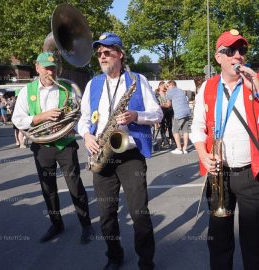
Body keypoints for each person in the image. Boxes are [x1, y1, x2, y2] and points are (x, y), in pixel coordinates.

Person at [190, 29, 259, 270]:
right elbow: (197, 128)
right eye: (230, 51)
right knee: (219, 241)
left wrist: (257, 88)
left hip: (252, 173)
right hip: (218, 173)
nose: (237, 55)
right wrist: (203, 154)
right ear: (218, 57)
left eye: (241, 50)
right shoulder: (208, 87)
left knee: (253, 242)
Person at [78, 32, 162, 270]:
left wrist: (137, 116)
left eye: (107, 52)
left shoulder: (138, 80)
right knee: (106, 213)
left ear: (120, 54)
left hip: (130, 155)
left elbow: (157, 113)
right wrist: (86, 136)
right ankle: (114, 256)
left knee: (139, 214)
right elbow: (84, 119)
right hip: (102, 153)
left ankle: (146, 261)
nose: (102, 57)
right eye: (99, 54)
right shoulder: (93, 83)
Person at [11, 52, 94, 244]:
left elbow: (79, 114)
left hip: (65, 144)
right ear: (37, 67)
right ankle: (56, 224)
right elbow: (17, 119)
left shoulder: (67, 88)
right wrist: (41, 117)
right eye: (46, 68)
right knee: (48, 189)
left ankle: (86, 224)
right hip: (41, 147)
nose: (50, 72)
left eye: (53, 68)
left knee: (75, 186)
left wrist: (68, 126)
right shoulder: (27, 91)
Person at [165, 80, 191, 154]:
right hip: (187, 112)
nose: (167, 88)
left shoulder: (170, 91)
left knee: (175, 130)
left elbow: (168, 105)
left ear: (171, 85)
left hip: (179, 113)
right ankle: (185, 149)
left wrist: (160, 106)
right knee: (185, 130)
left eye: (167, 86)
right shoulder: (181, 91)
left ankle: (179, 148)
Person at [156, 81, 174, 148]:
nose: (164, 87)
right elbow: (157, 104)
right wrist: (164, 105)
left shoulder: (168, 93)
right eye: (162, 86)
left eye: (165, 86)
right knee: (162, 126)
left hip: (169, 110)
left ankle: (171, 139)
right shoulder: (156, 94)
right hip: (161, 111)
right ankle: (165, 140)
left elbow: (170, 103)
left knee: (170, 125)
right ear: (159, 87)